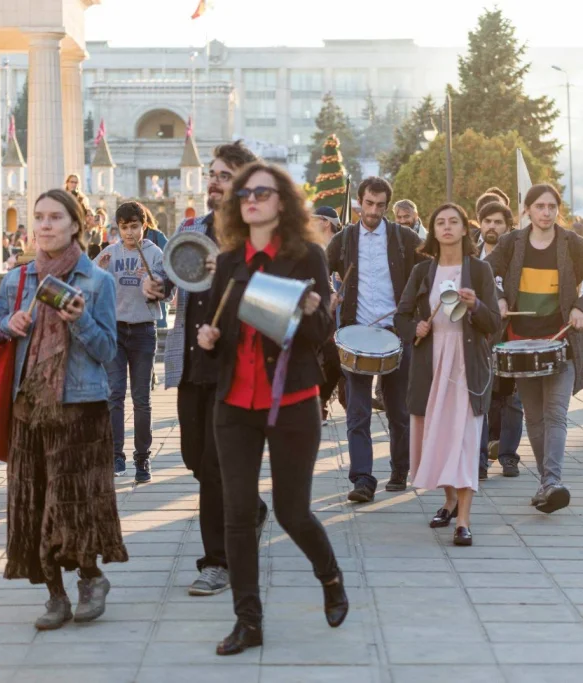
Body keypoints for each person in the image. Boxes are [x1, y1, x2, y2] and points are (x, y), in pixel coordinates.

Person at [196, 161, 348, 655]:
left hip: (293, 400)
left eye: (263, 192)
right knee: (237, 515)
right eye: (245, 194)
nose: (253, 200)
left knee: (291, 511)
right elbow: (218, 339)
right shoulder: (228, 261)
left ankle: (329, 576)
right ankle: (249, 621)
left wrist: (312, 312)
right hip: (234, 405)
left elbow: (321, 336)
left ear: (283, 201)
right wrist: (209, 339)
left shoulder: (307, 257)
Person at [0, 188, 126, 630]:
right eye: (39, 217)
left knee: (73, 503)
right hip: (29, 407)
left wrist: (79, 319)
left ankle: (89, 579)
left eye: (55, 218)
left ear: (75, 225)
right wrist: (10, 323)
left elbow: (107, 351)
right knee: (34, 501)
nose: (44, 226)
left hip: (80, 407)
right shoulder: (18, 280)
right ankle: (54, 595)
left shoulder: (97, 281)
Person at [163, 140, 269, 597]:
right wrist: (154, 287)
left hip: (235, 370)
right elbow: (173, 281)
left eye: (225, 176)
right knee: (195, 458)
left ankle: (217, 561)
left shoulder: (256, 237)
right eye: (213, 173)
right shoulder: (192, 229)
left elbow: (269, 304)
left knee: (215, 465)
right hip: (192, 366)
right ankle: (252, 508)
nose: (214, 182)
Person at [486, 184, 583, 513]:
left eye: (551, 207)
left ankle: (552, 481)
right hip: (522, 346)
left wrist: (582, 308)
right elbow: (484, 271)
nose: (546, 212)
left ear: (558, 210)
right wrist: (498, 298)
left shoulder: (572, 243)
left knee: (555, 415)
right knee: (534, 418)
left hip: (560, 343)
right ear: (526, 210)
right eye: (539, 206)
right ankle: (546, 483)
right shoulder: (511, 243)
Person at [396, 203, 501, 545]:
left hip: (467, 363)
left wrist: (475, 306)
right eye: (440, 222)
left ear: (464, 229)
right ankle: (450, 500)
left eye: (453, 221)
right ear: (433, 230)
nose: (446, 227)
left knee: (466, 438)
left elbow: (493, 325)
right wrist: (416, 327)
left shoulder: (480, 270)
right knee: (436, 435)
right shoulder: (423, 271)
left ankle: (464, 521)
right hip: (432, 362)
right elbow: (401, 317)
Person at [326, 177, 426, 502]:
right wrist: (330, 293)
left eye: (380, 205)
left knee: (399, 410)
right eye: (369, 204)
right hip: (356, 336)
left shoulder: (404, 238)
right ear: (359, 202)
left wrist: (417, 316)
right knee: (358, 412)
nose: (373, 211)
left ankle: (399, 470)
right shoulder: (343, 240)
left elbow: (430, 275)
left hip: (396, 335)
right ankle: (363, 481)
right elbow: (320, 273)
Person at [94, 201, 170, 483]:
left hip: (143, 331)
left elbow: (167, 293)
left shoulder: (155, 253)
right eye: (124, 228)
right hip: (115, 330)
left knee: (142, 398)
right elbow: (88, 286)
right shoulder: (109, 253)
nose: (129, 233)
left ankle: (142, 458)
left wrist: (153, 285)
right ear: (118, 228)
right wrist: (97, 271)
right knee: (115, 395)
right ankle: (116, 455)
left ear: (144, 226)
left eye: (134, 227)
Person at [475, 201, 524, 479]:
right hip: (480, 335)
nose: (492, 227)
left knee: (512, 399)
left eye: (498, 222)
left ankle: (508, 456)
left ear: (508, 228)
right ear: (480, 224)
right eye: (488, 221)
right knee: (481, 397)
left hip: (511, 334)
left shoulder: (515, 255)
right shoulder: (472, 254)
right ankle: (480, 459)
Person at [312, 206, 344, 423]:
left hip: (342, 311)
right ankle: (319, 402)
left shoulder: (342, 245)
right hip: (321, 310)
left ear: (325, 222)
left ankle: (323, 401)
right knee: (323, 357)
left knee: (334, 358)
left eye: (315, 219)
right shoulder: (315, 247)